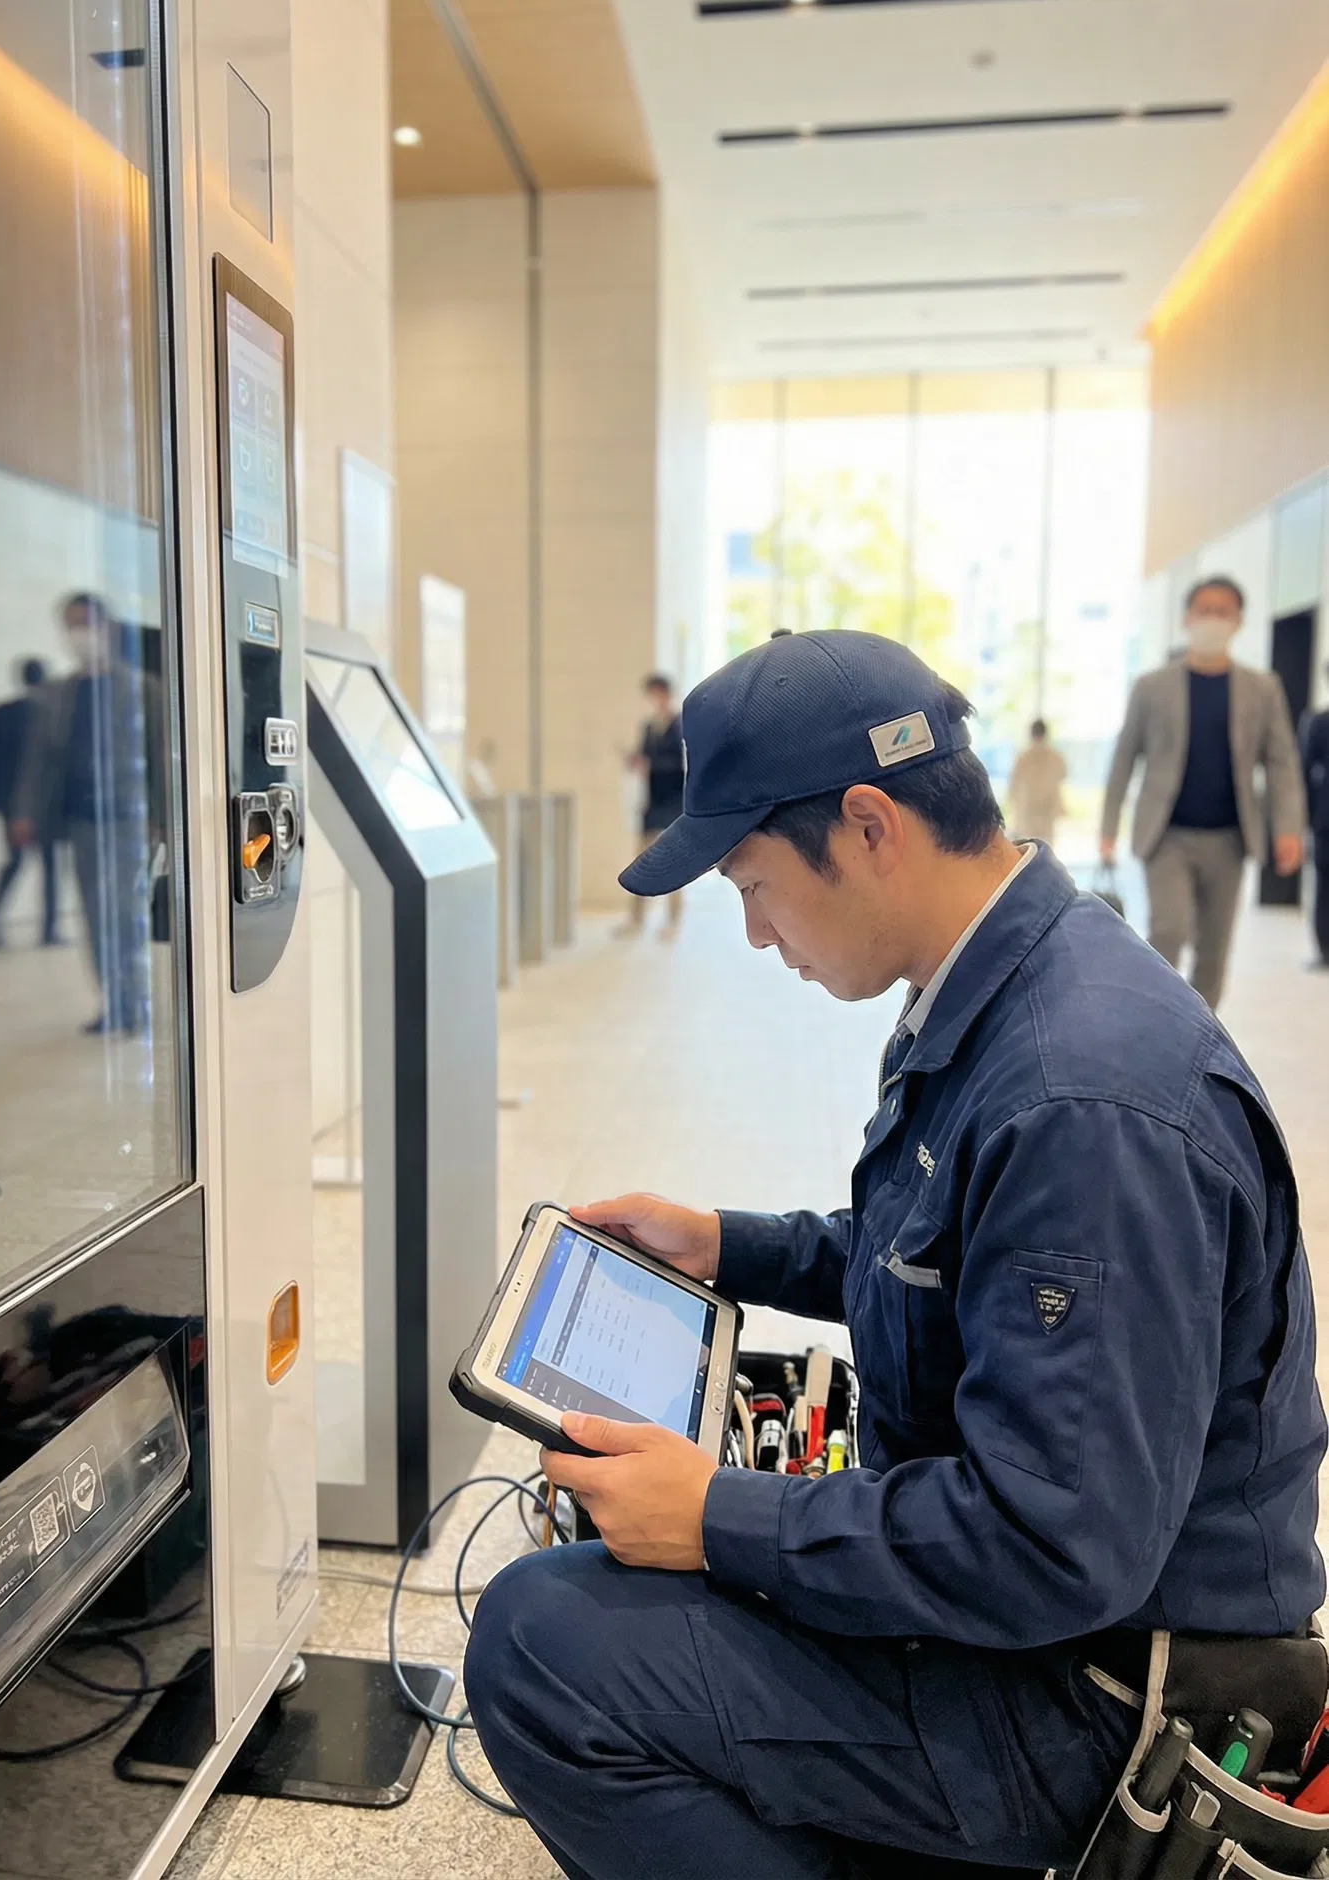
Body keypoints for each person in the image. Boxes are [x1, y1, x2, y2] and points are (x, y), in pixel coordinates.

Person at [463, 628, 1325, 1880]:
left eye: (755, 884)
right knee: (605, 1573)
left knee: (540, 1641)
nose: (757, 934)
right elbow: (936, 1254)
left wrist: (722, 1519)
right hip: (1056, 1635)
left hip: (1098, 1706)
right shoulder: (996, 984)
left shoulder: (1082, 1098)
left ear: (869, 826)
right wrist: (727, 1247)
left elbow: (1050, 1545)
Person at [1100, 575, 1304, 1011]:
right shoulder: (1152, 687)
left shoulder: (1261, 688)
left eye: (1222, 612)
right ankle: (1155, 1019)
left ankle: (1200, 1034)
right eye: (1204, 610)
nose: (1212, 620)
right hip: (1166, 835)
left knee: (1214, 949)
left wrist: (1289, 828)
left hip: (1230, 838)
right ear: (1187, 618)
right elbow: (1123, 760)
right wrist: (1108, 828)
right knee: (1168, 931)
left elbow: (1282, 762)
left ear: (1238, 621)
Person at [13, 593, 164, 1035]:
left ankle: (137, 1003)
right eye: (69, 625)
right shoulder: (58, 694)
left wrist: (161, 819)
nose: (77, 633)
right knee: (95, 917)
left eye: (84, 623)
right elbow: (37, 760)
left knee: (126, 914)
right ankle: (113, 1004)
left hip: (129, 821)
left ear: (105, 627)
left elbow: (159, 756)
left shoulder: (143, 688)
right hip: (81, 822)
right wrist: (24, 812)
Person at [0, 658, 61, 949]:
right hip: (42, 803)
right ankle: (49, 930)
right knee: (48, 865)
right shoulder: (48, 715)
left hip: (9, 804)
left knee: (16, 861)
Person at [614, 672, 686, 940]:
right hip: (651, 802)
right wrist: (634, 762)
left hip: (672, 802)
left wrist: (651, 765)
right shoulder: (648, 727)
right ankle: (636, 918)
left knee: (674, 862)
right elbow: (643, 757)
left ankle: (674, 919)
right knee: (642, 861)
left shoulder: (680, 724)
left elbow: (679, 764)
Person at [1302, 671, 1329, 969]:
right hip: (1325, 822)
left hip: (1324, 818)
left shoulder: (1320, 722)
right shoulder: (1319, 722)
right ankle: (1325, 950)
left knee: (1324, 889)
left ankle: (1325, 951)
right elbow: (1304, 773)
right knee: (1323, 887)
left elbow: (1305, 771)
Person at [1006, 715, 1066, 847]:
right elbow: (1062, 778)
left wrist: (1013, 806)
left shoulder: (1024, 756)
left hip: (1028, 811)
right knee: (1046, 848)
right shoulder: (1055, 756)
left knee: (1029, 849)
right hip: (1047, 810)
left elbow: (1013, 786)